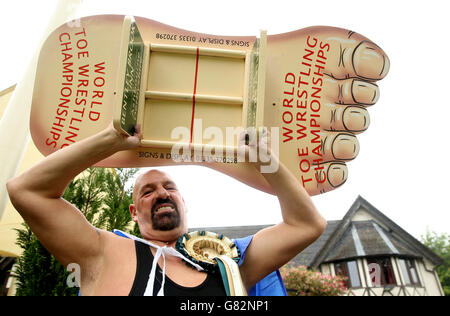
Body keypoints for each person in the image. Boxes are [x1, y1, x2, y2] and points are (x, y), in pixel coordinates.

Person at [6, 123, 327, 296]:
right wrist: (112, 138)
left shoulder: (231, 263)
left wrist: (265, 161)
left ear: (184, 203)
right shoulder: (100, 253)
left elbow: (306, 225)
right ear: (133, 212)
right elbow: (27, 191)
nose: (161, 192)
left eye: (169, 187)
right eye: (148, 191)